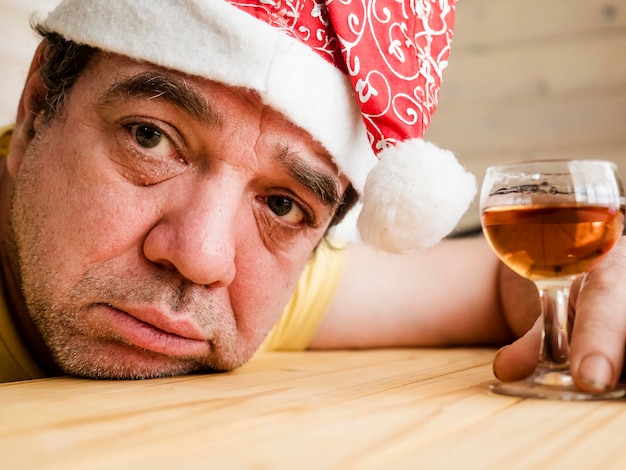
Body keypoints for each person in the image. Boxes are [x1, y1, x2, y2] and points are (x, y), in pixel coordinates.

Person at [1, 0, 625, 394]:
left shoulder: (281, 291)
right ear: (35, 111)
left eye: (281, 205)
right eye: (150, 138)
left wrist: (608, 288)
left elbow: (502, 282)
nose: (202, 256)